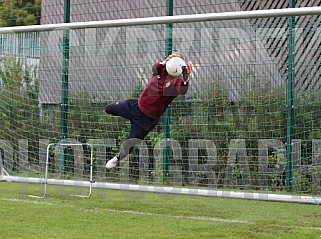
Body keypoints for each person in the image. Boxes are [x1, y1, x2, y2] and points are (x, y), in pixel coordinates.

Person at [104, 52, 193, 169]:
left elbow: (182, 91)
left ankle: (117, 158)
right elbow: (155, 67)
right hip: (135, 106)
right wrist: (166, 60)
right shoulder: (161, 70)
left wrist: (186, 78)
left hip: (146, 120)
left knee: (129, 145)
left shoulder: (176, 82)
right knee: (108, 108)